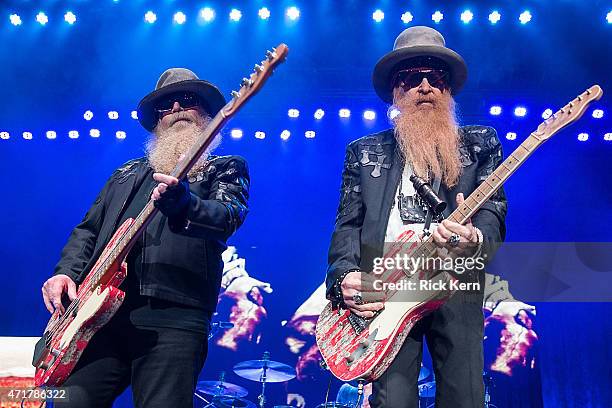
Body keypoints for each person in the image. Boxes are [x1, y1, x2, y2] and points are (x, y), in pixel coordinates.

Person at [40, 68, 250, 407]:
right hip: (96, 318)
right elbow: (88, 230)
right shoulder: (124, 174)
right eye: (167, 104)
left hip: (174, 318)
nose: (178, 107)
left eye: (190, 100)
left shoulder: (224, 167)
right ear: (156, 121)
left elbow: (227, 216)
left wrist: (183, 203)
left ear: (208, 115)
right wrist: (65, 272)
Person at [325, 27, 508, 408]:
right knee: (392, 401)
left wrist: (473, 238)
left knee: (465, 398)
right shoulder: (364, 151)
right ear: (396, 90)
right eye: (412, 78)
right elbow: (347, 224)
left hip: (455, 282)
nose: (425, 86)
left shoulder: (480, 143)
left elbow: (494, 210)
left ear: (448, 90)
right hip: (385, 290)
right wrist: (342, 277)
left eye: (435, 78)